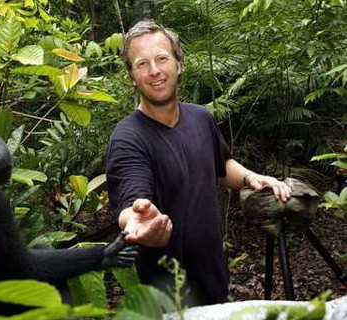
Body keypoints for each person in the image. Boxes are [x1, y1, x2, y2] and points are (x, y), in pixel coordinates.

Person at [105, 20, 292, 307]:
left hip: (214, 277)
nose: (154, 70)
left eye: (162, 59)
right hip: (168, 296)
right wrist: (137, 221)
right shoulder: (128, 138)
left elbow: (220, 165)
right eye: (142, 64)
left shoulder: (200, 118)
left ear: (179, 64)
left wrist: (251, 177)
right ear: (132, 76)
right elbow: (131, 203)